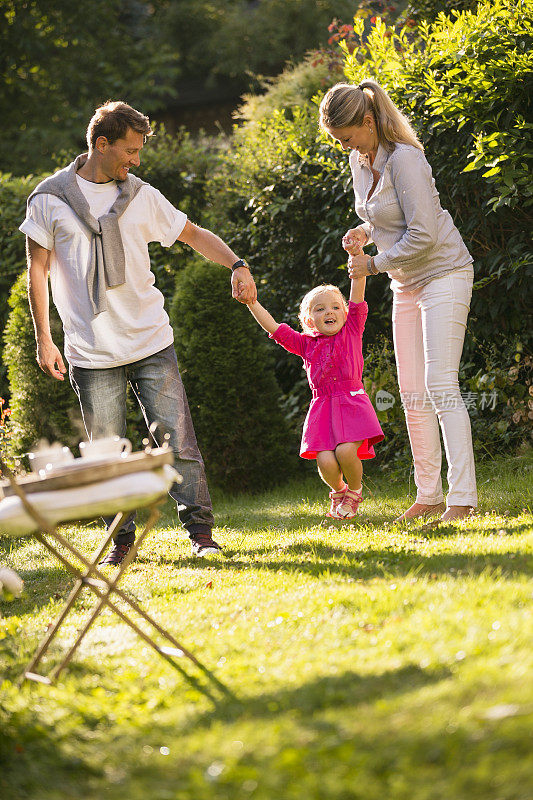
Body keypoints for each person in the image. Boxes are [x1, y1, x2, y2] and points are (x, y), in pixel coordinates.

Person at [20, 100, 257, 564]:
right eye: (130, 150)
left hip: (150, 340)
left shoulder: (141, 195)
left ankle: (202, 535)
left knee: (179, 440)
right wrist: (44, 338)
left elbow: (191, 233)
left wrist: (237, 263)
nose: (137, 160)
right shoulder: (48, 199)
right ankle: (120, 543)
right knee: (108, 454)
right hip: (91, 352)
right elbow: (37, 271)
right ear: (101, 145)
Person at [319, 80, 477, 523]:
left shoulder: (406, 159)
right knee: (410, 393)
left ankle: (462, 498)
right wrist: (363, 233)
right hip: (405, 282)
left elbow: (423, 234)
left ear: (368, 122)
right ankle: (428, 495)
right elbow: (379, 214)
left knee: (441, 384)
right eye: (337, 140)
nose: (343, 146)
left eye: (347, 137)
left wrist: (372, 265)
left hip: (443, 271)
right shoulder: (358, 159)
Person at [246, 274, 383, 519]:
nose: (328, 312)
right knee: (326, 462)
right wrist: (251, 303)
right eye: (320, 309)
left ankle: (354, 491)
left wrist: (357, 263)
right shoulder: (305, 344)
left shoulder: (351, 330)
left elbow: (358, 297)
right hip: (322, 408)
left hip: (352, 403)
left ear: (345, 313)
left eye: (335, 307)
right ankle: (339, 491)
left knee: (344, 452)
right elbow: (274, 328)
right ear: (309, 320)